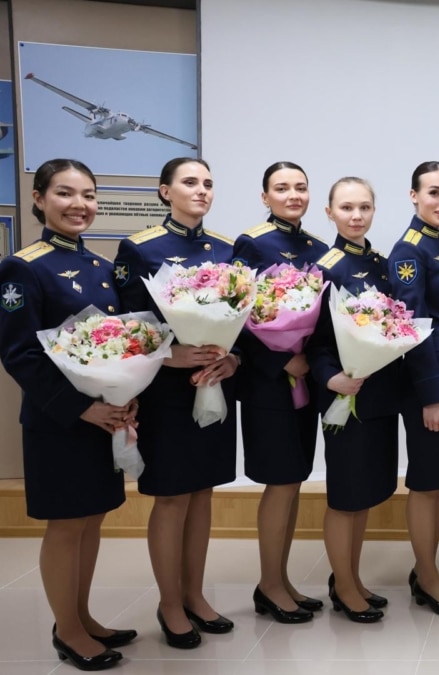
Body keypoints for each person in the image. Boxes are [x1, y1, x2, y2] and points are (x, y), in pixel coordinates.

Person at [0, 159, 133, 670]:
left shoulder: (101, 268)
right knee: (65, 526)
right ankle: (69, 630)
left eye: (88, 195)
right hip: (60, 422)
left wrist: (125, 392)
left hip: (102, 418)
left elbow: (118, 345)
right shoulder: (22, 266)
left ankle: (81, 614)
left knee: (93, 519)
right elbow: (20, 356)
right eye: (65, 193)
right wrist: (83, 409)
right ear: (39, 199)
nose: (79, 205)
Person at [115, 157, 239, 647]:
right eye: (190, 182)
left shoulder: (227, 249)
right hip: (166, 391)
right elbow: (128, 323)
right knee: (171, 497)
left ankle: (195, 594)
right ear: (165, 192)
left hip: (213, 381)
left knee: (203, 492)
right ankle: (169, 603)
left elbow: (244, 318)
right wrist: (170, 353)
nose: (202, 190)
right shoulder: (140, 248)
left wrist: (234, 362)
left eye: (208, 183)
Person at [231, 162, 329, 623]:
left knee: (294, 479)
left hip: (305, 377)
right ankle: (269, 584)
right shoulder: (252, 242)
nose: (293, 195)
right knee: (279, 481)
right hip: (269, 381)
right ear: (265, 195)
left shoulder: (318, 248)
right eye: (282, 188)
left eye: (301, 187)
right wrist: (279, 360)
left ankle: (281, 580)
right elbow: (236, 314)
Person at [307, 177, 395, 623]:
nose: (356, 216)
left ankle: (352, 578)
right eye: (346, 208)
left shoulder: (383, 264)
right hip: (344, 394)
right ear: (329, 213)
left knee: (363, 494)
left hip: (377, 395)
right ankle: (343, 586)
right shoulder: (323, 267)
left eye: (364, 207)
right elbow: (313, 341)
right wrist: (331, 379)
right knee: (344, 495)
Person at [388, 161, 439, 617]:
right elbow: (413, 326)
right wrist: (431, 396)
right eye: (435, 193)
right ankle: (427, 575)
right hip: (431, 382)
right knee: (425, 482)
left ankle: (427, 569)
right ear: (413, 195)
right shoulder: (409, 250)